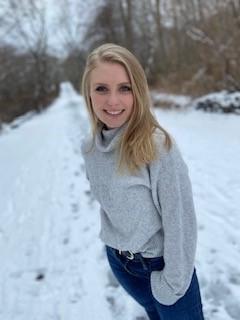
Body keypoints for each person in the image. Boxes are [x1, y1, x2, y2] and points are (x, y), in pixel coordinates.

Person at [80, 43, 204, 320]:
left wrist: (172, 281)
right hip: (122, 264)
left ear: (138, 91)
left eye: (124, 88)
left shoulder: (157, 147)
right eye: (101, 88)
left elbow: (180, 221)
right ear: (88, 93)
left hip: (165, 266)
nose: (113, 101)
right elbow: (109, 204)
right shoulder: (90, 148)